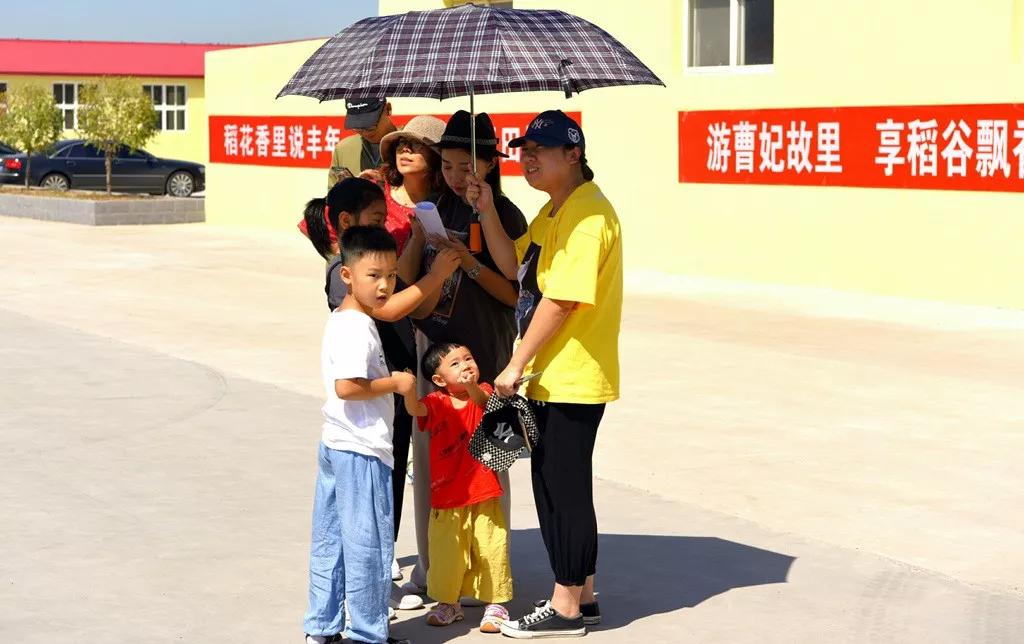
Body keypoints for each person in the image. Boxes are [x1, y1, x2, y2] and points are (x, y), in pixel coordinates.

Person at [465, 110, 622, 639]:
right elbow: (516, 268)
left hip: (573, 374)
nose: (526, 158)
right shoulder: (557, 211)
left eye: (540, 149)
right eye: (522, 150)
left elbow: (561, 300)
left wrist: (514, 363)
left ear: (573, 153)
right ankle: (587, 597)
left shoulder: (588, 217)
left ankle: (565, 607)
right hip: (552, 376)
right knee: (557, 485)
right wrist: (487, 209)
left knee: (563, 489)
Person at [300, 178, 461, 614]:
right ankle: (369, 616)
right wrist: (437, 275)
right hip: (362, 435)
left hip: (364, 426)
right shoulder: (348, 292)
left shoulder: (360, 282)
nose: (385, 283)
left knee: (351, 528)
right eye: (376, 222)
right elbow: (351, 380)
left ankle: (330, 617)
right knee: (366, 531)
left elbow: (393, 284)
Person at [396, 111, 527, 597]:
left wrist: (468, 263)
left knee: (490, 469)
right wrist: (417, 235)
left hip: (485, 359)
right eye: (447, 165)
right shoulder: (434, 206)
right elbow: (407, 282)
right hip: (434, 357)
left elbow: (515, 292)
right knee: (432, 465)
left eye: (464, 166)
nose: (455, 176)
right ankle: (435, 572)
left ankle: (491, 576)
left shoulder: (506, 215)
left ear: (489, 165)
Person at [303, 226, 419, 644]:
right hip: (361, 447)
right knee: (368, 545)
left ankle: (322, 626)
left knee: (331, 539)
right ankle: (368, 634)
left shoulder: (347, 318)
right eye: (374, 275)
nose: (385, 284)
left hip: (336, 441)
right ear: (347, 276)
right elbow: (347, 387)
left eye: (390, 274)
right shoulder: (356, 327)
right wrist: (398, 383)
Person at [401, 342, 513, 633]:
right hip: (446, 495)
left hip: (484, 490)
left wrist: (472, 385)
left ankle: (495, 603)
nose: (465, 365)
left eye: (469, 358)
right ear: (438, 380)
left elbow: (482, 403)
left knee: (491, 548)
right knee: (446, 554)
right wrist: (408, 389)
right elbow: (415, 409)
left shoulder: (485, 390)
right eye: (455, 363)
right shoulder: (437, 402)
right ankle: (448, 603)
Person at [376, 115, 447, 254]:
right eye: (401, 142)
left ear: (436, 157)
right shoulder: (376, 194)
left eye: (417, 143)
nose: (405, 149)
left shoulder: (448, 204)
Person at [327, 97, 397, 189]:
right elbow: (332, 196)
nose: (365, 132)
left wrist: (386, 183)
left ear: (388, 109)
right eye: (357, 128)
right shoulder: (343, 149)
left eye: (371, 126)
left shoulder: (410, 146)